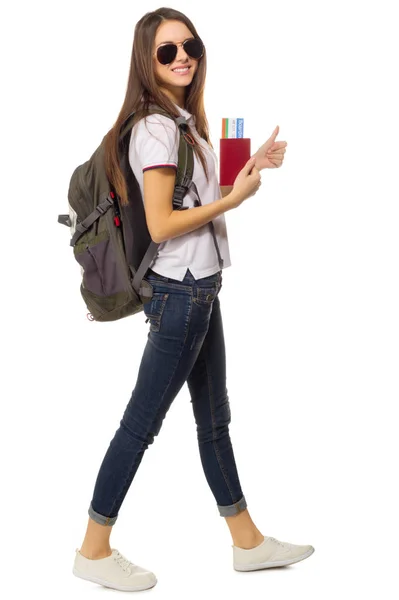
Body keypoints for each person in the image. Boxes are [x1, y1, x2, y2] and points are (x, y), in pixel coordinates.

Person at [73, 6, 313, 593]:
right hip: (181, 297)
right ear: (145, 61)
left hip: (201, 291)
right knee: (141, 424)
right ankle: (93, 548)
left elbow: (197, 199)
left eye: (190, 45)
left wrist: (247, 169)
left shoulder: (183, 121)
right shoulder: (156, 128)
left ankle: (248, 542)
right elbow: (160, 224)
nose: (183, 56)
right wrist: (236, 202)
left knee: (214, 421)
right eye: (166, 51)